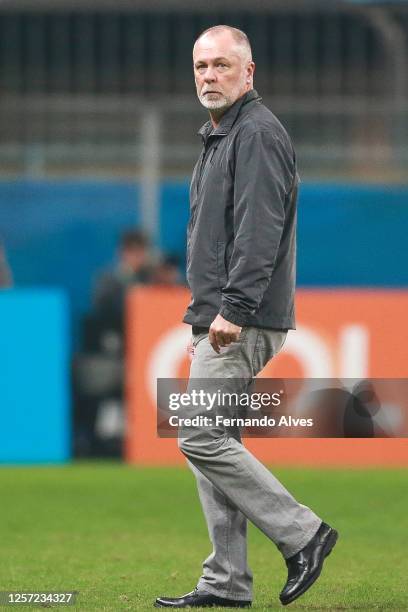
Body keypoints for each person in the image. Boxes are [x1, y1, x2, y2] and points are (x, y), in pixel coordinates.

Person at [154, 25, 338, 609]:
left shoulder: (255, 132)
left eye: (222, 66)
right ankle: (226, 584)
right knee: (216, 442)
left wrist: (231, 309)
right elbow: (216, 238)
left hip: (245, 315)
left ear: (249, 71)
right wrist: (204, 315)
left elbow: (259, 234)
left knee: (199, 435)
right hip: (222, 314)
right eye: (202, 67)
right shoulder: (222, 135)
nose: (209, 76)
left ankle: (303, 533)